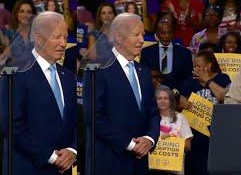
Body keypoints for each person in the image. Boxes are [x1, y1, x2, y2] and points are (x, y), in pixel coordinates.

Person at [0, 11, 77, 175]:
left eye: (65, 37)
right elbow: (11, 125)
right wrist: (51, 157)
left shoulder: (69, 77)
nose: (63, 43)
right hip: (27, 168)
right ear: (39, 38)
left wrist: (72, 150)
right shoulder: (15, 72)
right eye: (57, 37)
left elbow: (74, 122)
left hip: (64, 169)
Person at [83, 13, 160, 175]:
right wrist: (130, 144)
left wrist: (149, 140)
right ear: (118, 36)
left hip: (139, 164)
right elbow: (93, 116)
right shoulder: (96, 68)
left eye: (143, 35)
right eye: (136, 35)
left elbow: (153, 113)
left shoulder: (144, 72)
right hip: (108, 163)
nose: (141, 40)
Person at [178, 50, 231, 175]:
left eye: (198, 66)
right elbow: (178, 102)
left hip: (216, 135)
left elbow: (223, 97)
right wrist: (181, 101)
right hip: (195, 135)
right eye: (194, 66)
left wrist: (207, 81)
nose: (195, 69)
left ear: (209, 66)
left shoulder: (223, 78)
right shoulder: (189, 82)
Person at [141, 17, 193, 90]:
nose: (166, 36)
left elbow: (189, 78)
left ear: (173, 33)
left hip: (178, 95)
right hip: (154, 94)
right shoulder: (146, 52)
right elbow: (143, 76)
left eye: (169, 32)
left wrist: (176, 93)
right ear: (157, 34)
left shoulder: (185, 53)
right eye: (163, 33)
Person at [151, 85, 193, 175]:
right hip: (153, 169)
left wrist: (172, 140)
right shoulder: (149, 118)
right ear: (155, 101)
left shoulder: (180, 118)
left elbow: (188, 146)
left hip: (175, 171)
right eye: (159, 98)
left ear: (171, 101)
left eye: (166, 98)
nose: (163, 101)